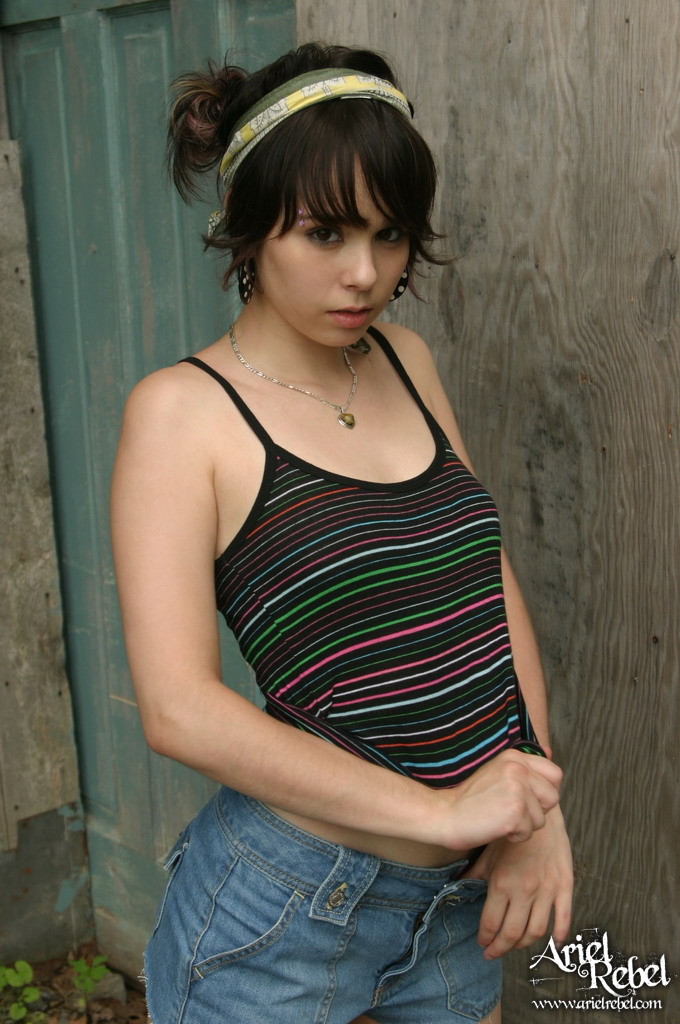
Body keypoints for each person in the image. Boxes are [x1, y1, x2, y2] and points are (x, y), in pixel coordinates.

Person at [110, 42, 572, 1024]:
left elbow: (483, 588)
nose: (363, 273)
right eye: (323, 232)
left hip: (454, 907)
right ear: (247, 227)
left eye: (388, 234)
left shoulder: (404, 359)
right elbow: (179, 709)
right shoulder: (181, 415)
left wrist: (530, 807)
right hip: (282, 916)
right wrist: (441, 809)